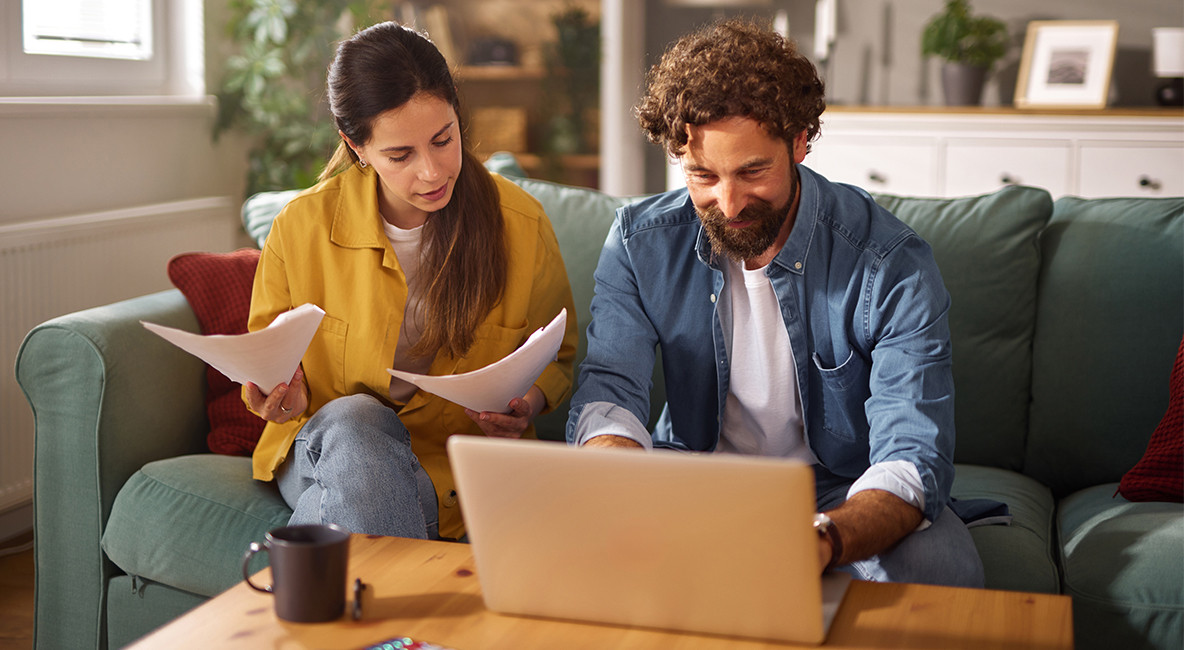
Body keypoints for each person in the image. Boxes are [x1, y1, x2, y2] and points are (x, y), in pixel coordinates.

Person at [566, 19, 987, 586]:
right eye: (703, 175)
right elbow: (610, 391)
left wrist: (821, 540)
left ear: (798, 143)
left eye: (752, 171)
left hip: (841, 491)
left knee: (938, 564)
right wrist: (620, 473)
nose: (729, 202)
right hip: (691, 479)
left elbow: (911, 453)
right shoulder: (641, 243)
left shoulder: (891, 262)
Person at [243, 22, 576, 542]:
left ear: (458, 115)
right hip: (330, 449)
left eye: (444, 139)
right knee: (355, 423)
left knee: (357, 498)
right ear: (356, 147)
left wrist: (525, 405)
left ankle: (312, 604)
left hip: (455, 466)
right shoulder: (300, 228)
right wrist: (276, 397)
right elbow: (267, 364)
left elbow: (560, 356)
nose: (433, 172)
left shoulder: (521, 223)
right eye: (401, 156)